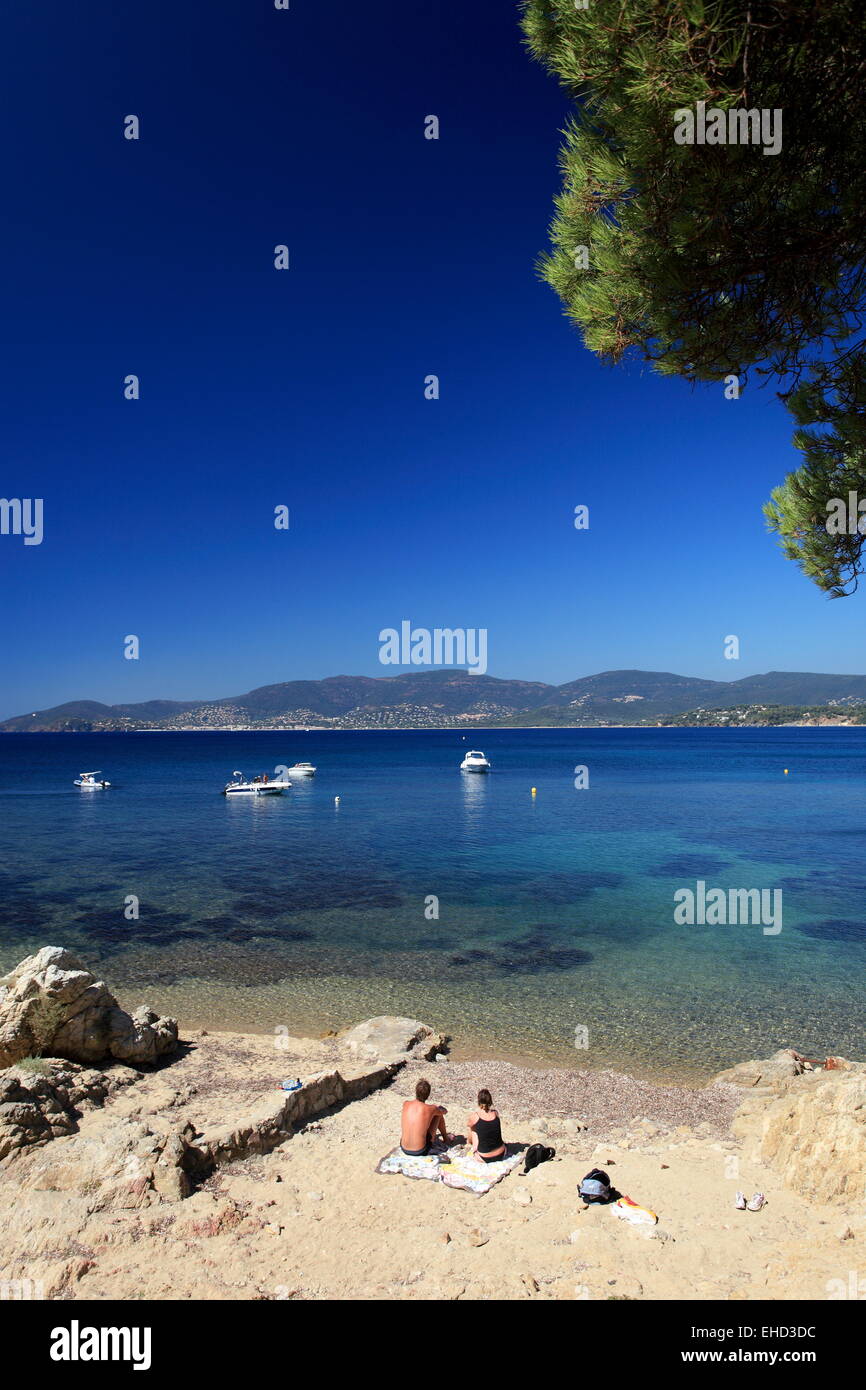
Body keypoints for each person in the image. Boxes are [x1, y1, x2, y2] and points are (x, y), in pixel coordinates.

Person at [400, 1078, 448, 1156]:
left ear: (416, 1092)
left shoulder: (406, 1103)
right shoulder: (431, 1108)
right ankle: (446, 1139)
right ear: (428, 1095)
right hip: (420, 1150)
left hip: (404, 1147)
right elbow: (444, 1112)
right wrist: (439, 1108)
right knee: (438, 1115)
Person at [466, 1088, 506, 1163]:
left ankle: (471, 1145)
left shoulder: (475, 1116)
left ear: (479, 1102)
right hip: (501, 1154)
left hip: (484, 1157)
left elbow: (469, 1125)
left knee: (473, 1129)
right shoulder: (495, 1113)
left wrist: (469, 1140)